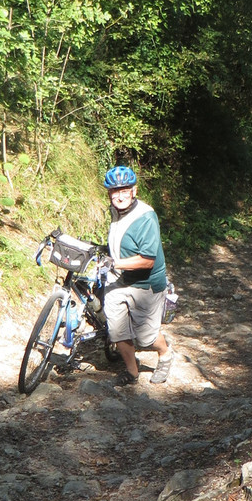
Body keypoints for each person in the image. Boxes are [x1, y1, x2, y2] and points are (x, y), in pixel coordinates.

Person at [101, 164, 175, 386]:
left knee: (146, 338)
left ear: (134, 191)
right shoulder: (115, 211)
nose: (120, 195)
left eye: (125, 190)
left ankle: (166, 354)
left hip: (146, 285)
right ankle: (133, 372)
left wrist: (115, 263)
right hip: (120, 281)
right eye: (115, 191)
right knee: (117, 330)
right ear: (109, 193)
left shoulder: (145, 217)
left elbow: (147, 260)